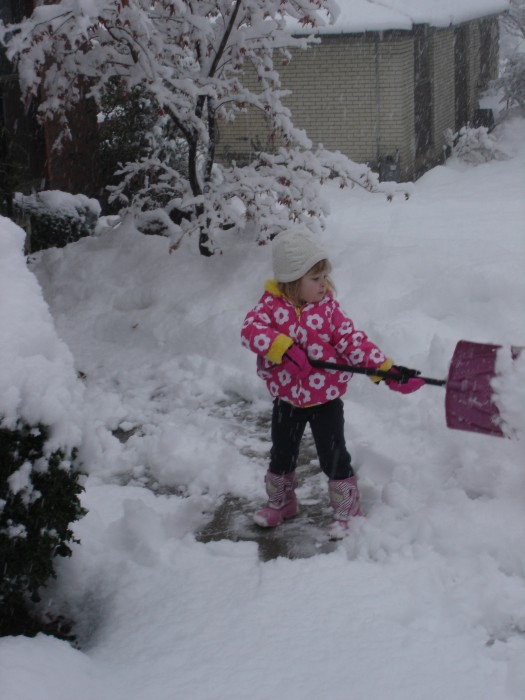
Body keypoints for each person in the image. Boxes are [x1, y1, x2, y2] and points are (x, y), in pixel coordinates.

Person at [240, 228, 424, 539]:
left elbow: (354, 343)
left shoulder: (329, 312)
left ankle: (347, 511)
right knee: (281, 453)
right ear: (292, 280)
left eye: (325, 276)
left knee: (333, 454)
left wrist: (385, 370)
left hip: (325, 400)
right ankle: (282, 503)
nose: (324, 284)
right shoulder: (270, 306)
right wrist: (282, 348)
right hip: (286, 399)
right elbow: (250, 330)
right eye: (315, 278)